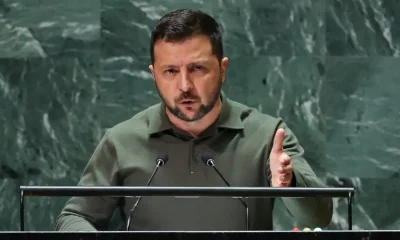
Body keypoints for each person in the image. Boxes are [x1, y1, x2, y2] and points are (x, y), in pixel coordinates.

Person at [54, 9, 332, 231]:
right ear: (154, 74)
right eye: (171, 71)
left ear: (222, 69)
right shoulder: (121, 140)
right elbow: (74, 218)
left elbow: (318, 218)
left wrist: (288, 183)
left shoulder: (268, 136)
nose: (184, 85)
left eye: (197, 68)